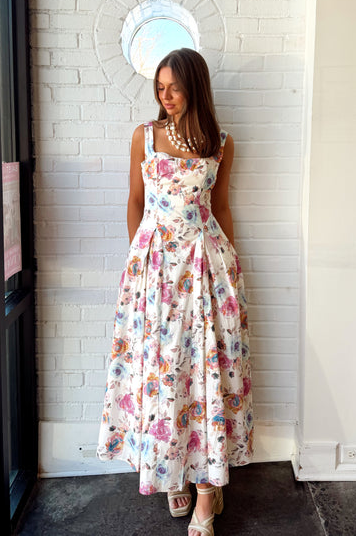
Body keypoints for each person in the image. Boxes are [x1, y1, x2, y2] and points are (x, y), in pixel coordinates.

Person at [97, 48, 253, 536]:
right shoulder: (144, 137)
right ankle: (172, 470)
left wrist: (231, 263)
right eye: (160, 88)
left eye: (175, 88)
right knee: (164, 370)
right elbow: (135, 203)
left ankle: (208, 490)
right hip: (155, 270)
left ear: (195, 87)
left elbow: (221, 207)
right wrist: (139, 263)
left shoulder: (221, 143)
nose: (165, 96)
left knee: (207, 369)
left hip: (207, 267)